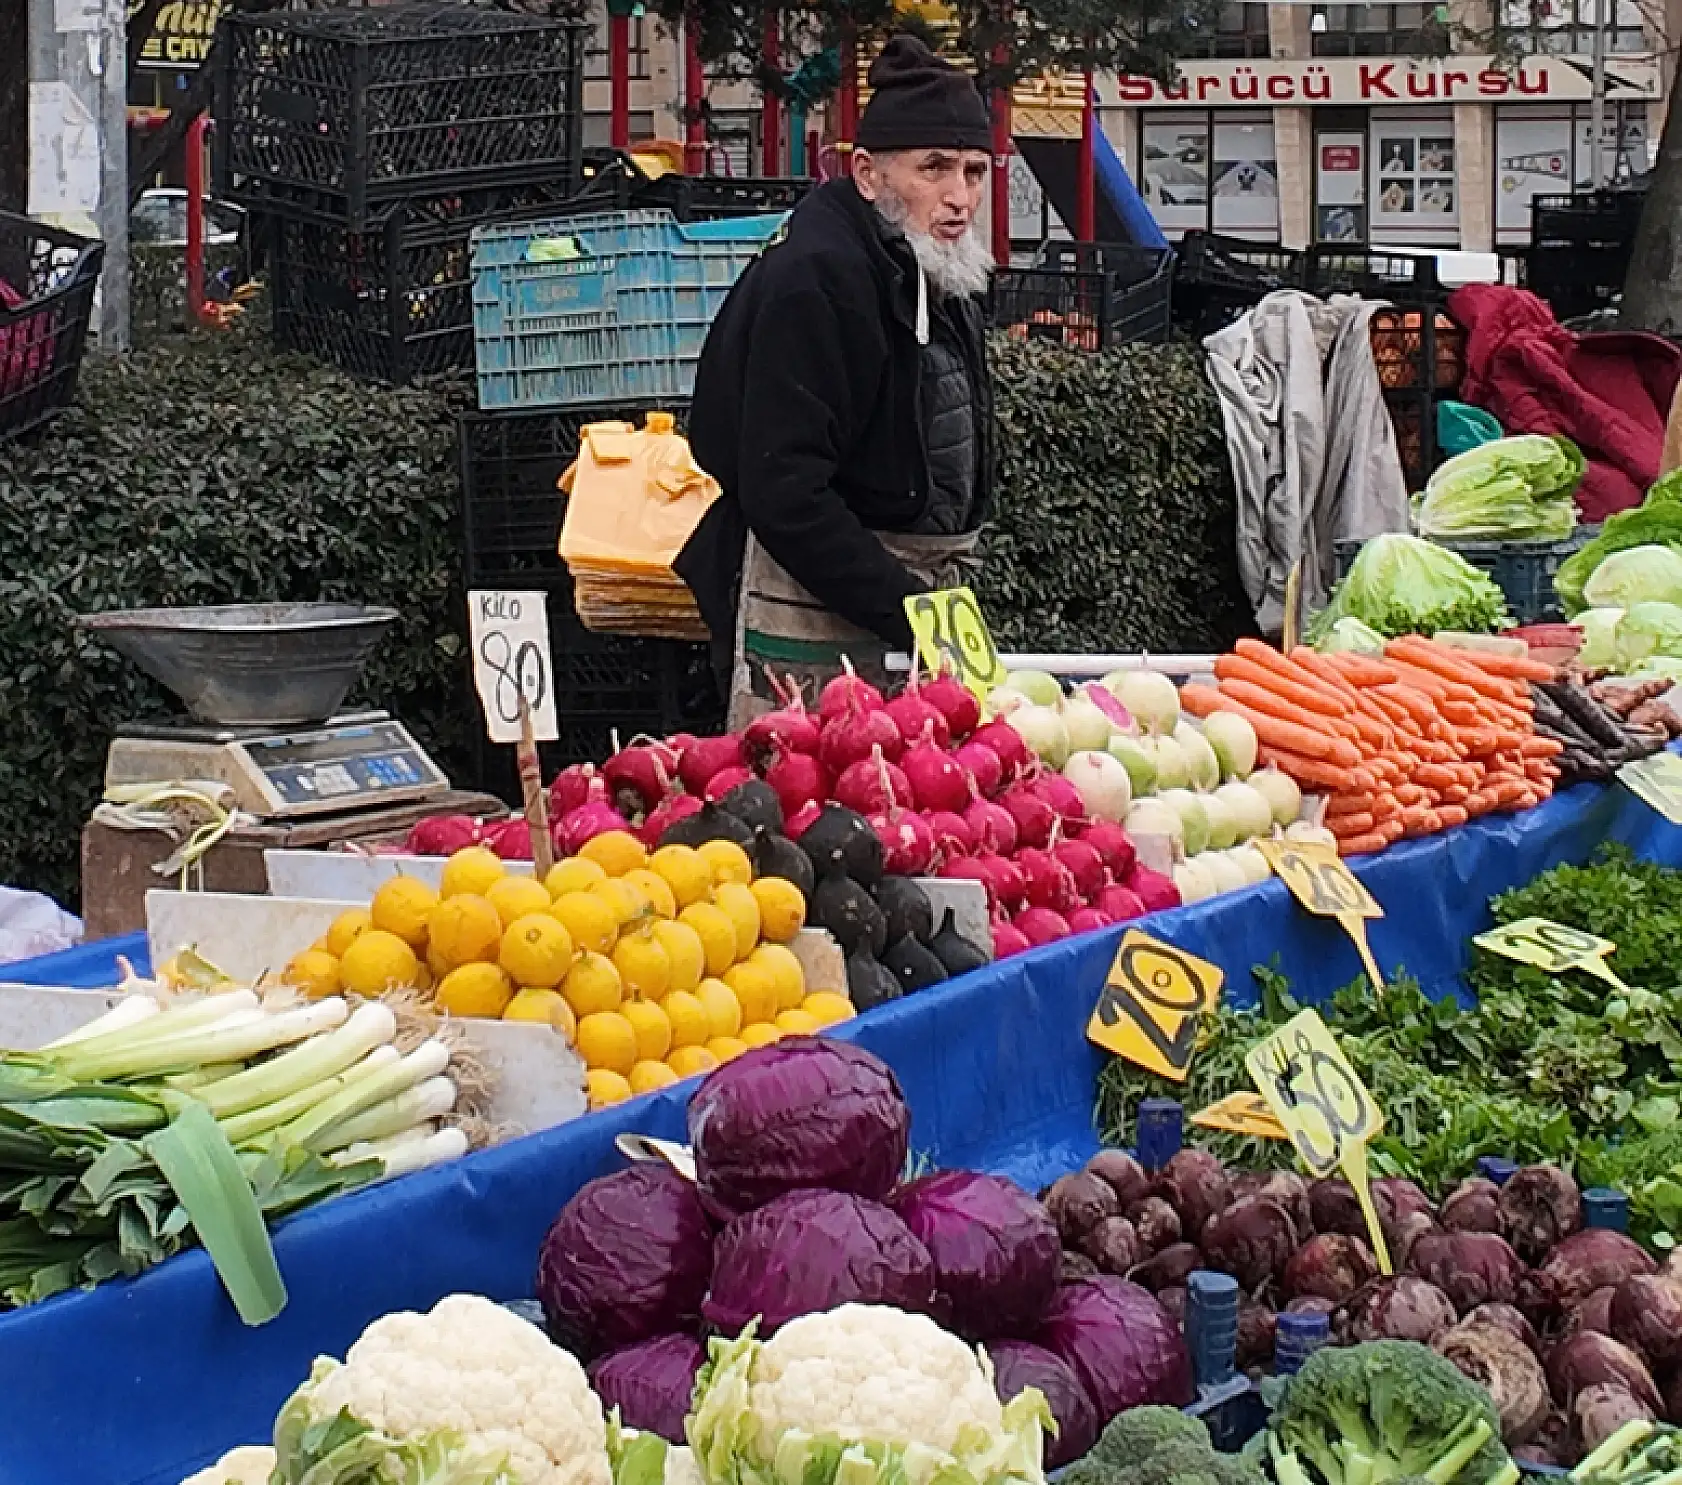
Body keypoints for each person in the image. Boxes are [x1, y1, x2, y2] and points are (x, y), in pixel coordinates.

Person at [676, 34, 996, 726]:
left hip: (914, 597)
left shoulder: (932, 265)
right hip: (813, 591)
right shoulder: (817, 278)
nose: (958, 196)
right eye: (933, 168)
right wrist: (907, 609)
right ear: (867, 173)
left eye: (974, 171)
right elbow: (784, 489)